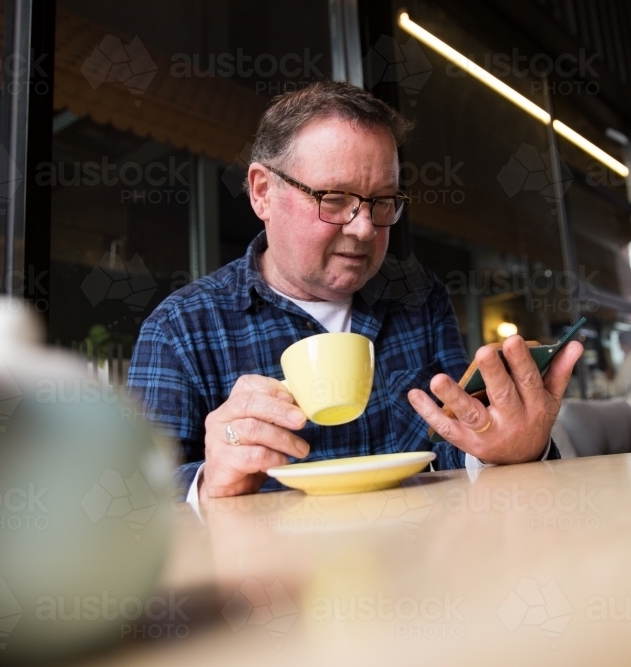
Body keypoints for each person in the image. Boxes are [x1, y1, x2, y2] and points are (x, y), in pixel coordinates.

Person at [128, 81, 583, 505]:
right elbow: (132, 502)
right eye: (334, 198)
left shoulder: (419, 297)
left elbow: (452, 447)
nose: (365, 228)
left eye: (382, 201)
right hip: (272, 566)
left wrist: (510, 451)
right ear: (262, 192)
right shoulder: (180, 329)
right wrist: (209, 482)